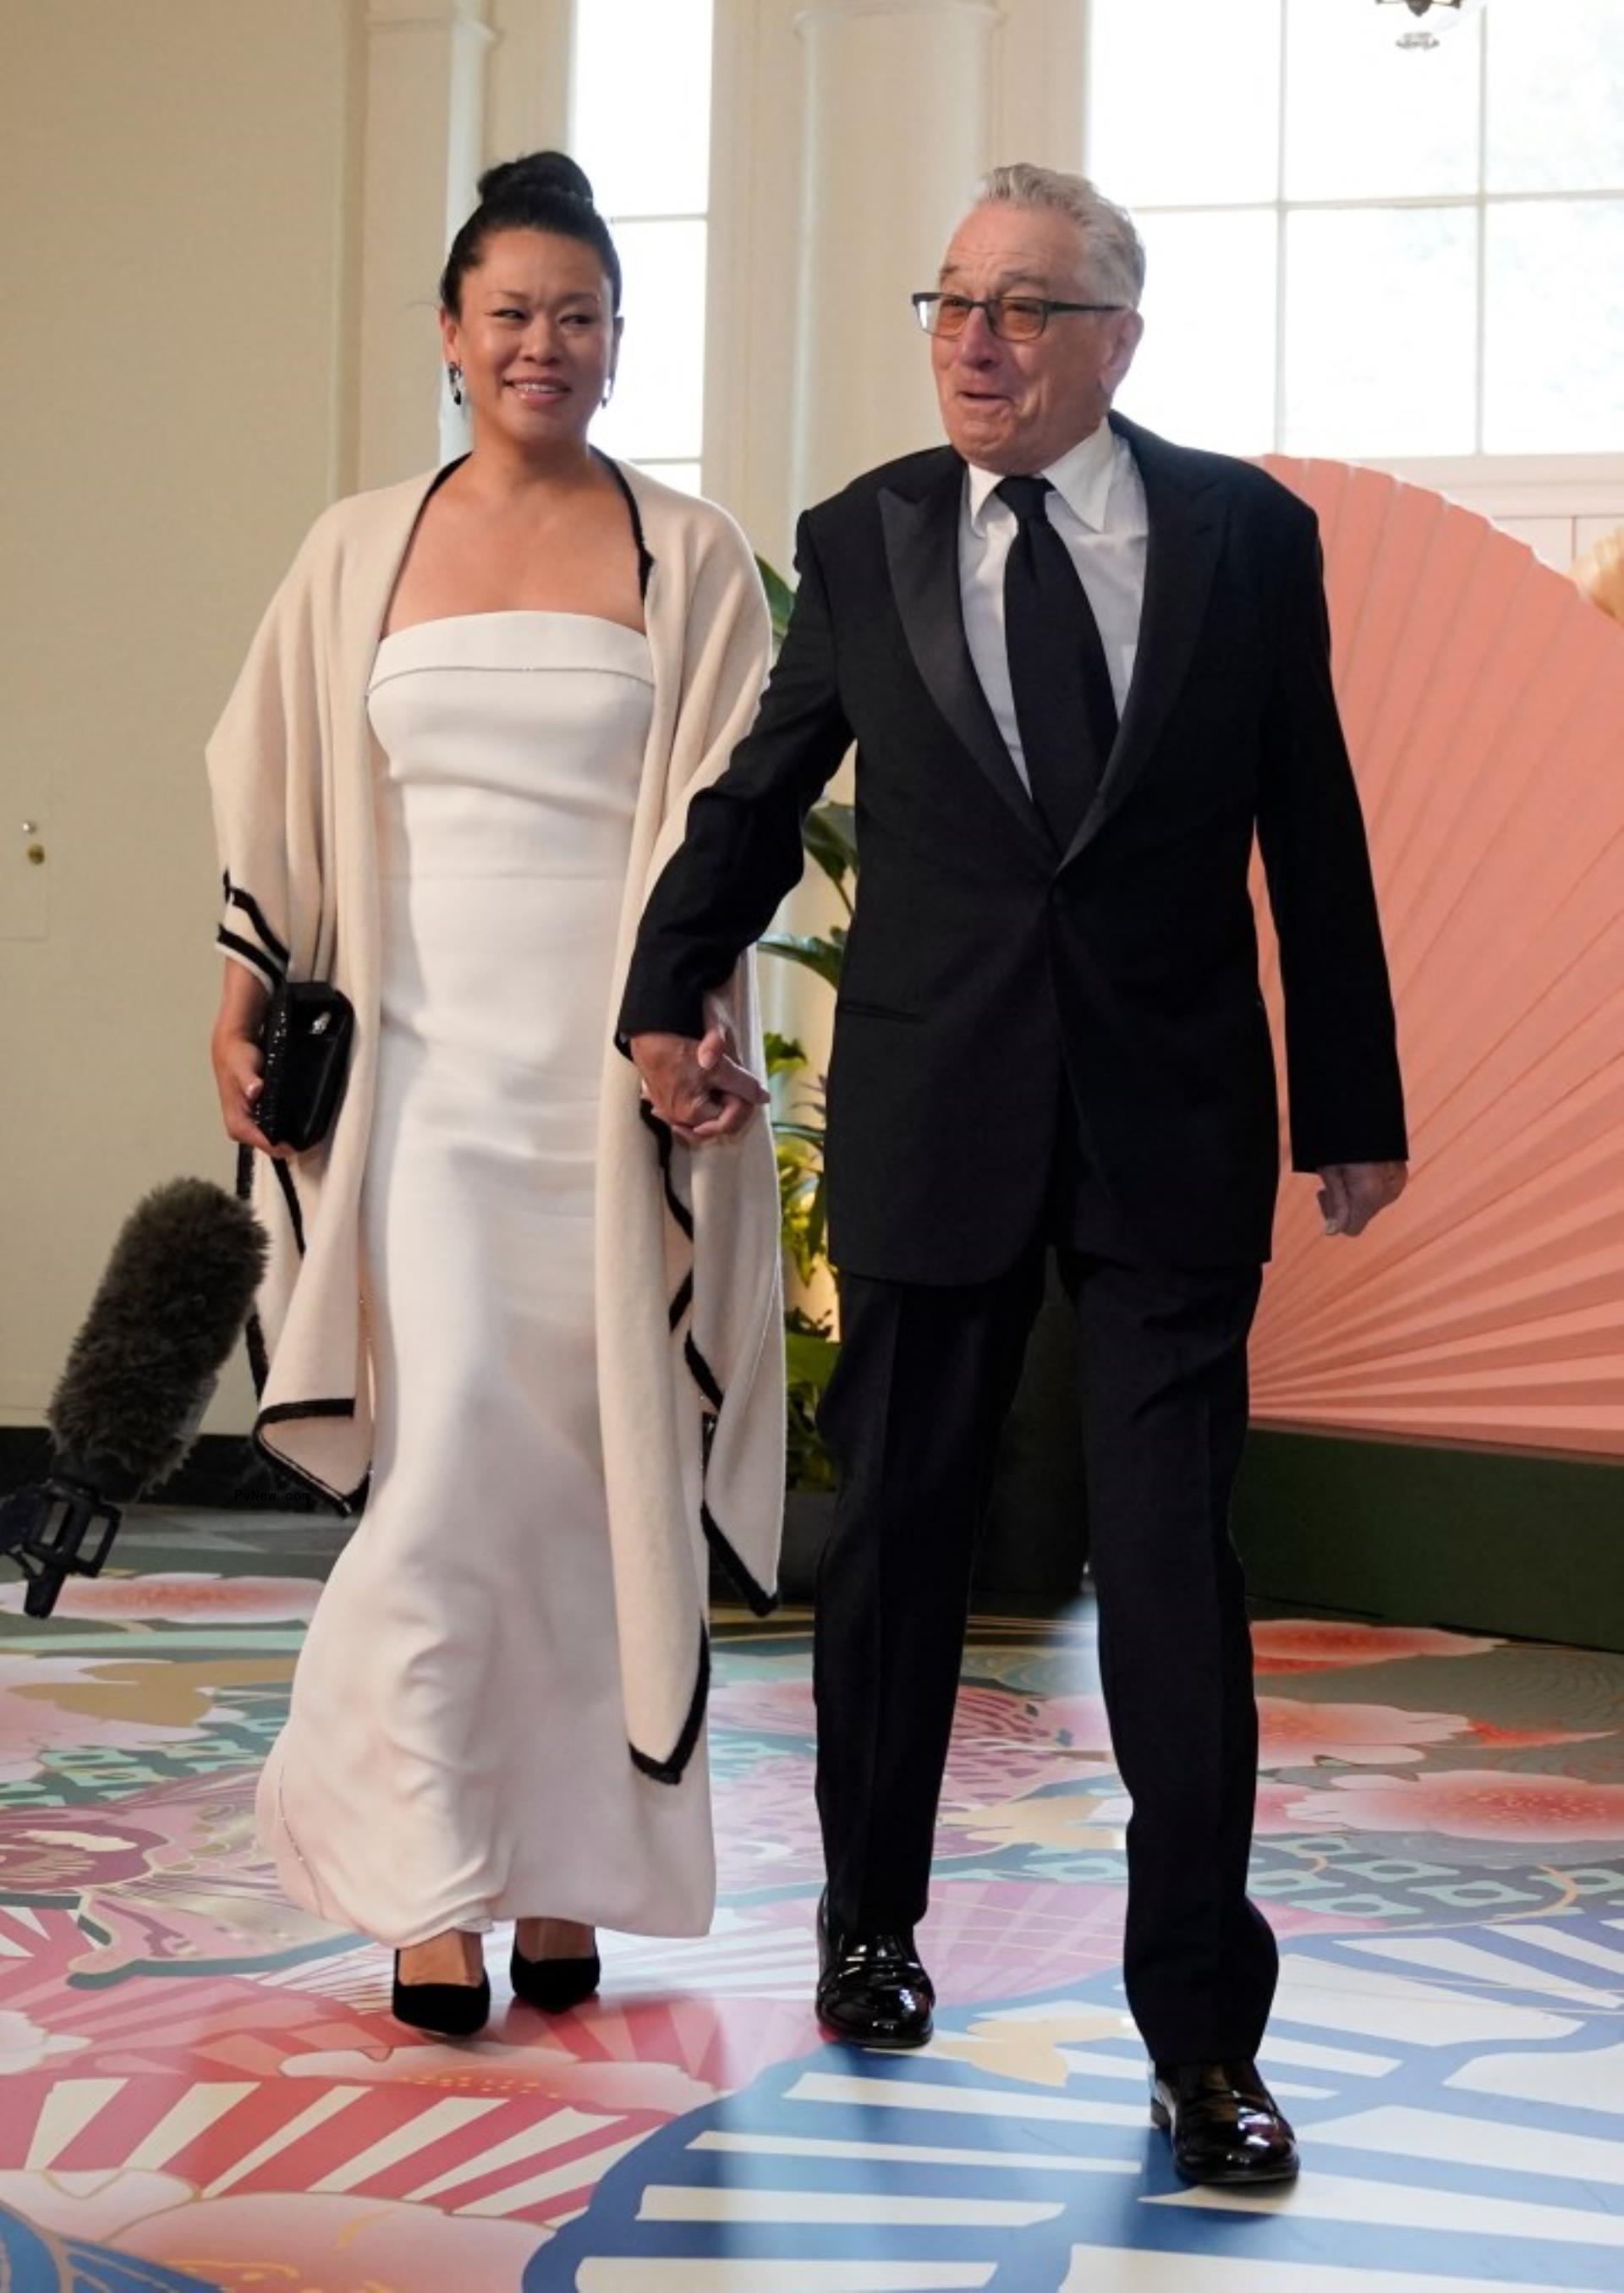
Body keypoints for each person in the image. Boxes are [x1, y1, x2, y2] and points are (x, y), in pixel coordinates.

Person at [621, 163, 1407, 2183]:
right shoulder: (868, 536)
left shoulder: (1243, 536)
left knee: (1171, 1575)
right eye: (952, 300)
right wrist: (663, 987)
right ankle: (871, 1921)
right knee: (900, 1539)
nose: (976, 339)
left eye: (1025, 308)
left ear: (1116, 340)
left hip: (1172, 1125)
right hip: (934, 1106)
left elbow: (1308, 820)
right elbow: (759, 790)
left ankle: (1204, 2042)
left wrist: (1355, 1100)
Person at [206, 152, 783, 2038]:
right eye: (510, 313)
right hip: (426, 1081)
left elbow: (733, 826)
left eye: (582, 316)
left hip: (611, 1086)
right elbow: (275, 783)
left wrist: (698, 1034)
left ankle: (565, 1877)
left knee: (592, 1486)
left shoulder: (686, 555)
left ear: (620, 343)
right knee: (448, 1461)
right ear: (451, 335)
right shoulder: (354, 546)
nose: (545, 344)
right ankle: (427, 1882)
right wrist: (238, 986)